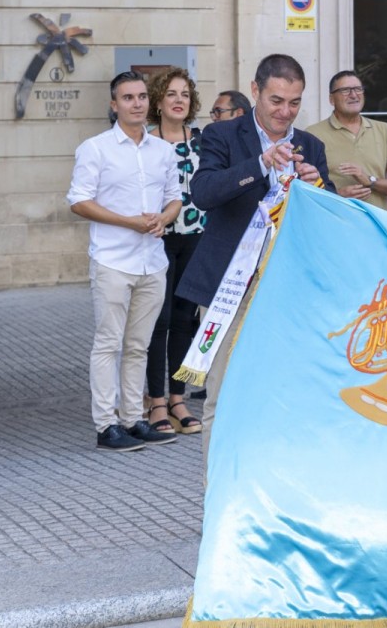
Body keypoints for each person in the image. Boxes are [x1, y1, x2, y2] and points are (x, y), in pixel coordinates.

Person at [175, 54, 333, 465]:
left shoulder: (311, 145)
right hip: (228, 289)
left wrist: (320, 189)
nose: (285, 112)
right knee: (224, 398)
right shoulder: (222, 135)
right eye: (276, 100)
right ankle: (218, 504)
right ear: (256, 91)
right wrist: (260, 164)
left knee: (283, 396)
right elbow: (204, 193)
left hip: (287, 291)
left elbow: (327, 221)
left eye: (295, 102)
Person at [67, 71, 182, 452]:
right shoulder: (95, 148)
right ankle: (106, 425)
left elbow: (175, 197)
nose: (137, 103)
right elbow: (79, 201)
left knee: (139, 344)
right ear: (114, 104)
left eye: (141, 97)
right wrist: (129, 223)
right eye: (128, 98)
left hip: (153, 261)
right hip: (113, 261)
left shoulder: (163, 151)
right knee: (108, 344)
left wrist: (163, 219)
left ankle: (133, 419)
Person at [143, 67, 205, 436]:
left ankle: (178, 398)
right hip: (157, 239)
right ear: (159, 102)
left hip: (196, 236)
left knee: (185, 320)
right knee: (159, 320)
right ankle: (156, 402)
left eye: (184, 94)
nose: (179, 100)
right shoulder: (146, 144)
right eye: (171, 94)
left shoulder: (201, 141)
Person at [306, 70, 387, 210]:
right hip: (335, 225)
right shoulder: (312, 134)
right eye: (345, 90)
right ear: (331, 99)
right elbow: (305, 190)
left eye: (358, 89)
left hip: (375, 225)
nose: (354, 95)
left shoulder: (385, 130)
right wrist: (338, 194)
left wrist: (370, 180)